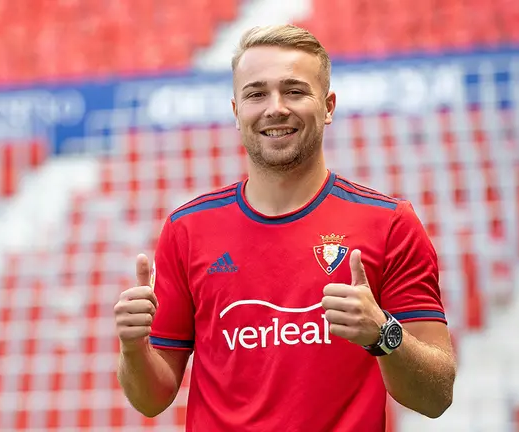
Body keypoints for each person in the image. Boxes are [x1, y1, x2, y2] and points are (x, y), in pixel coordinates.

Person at [113, 24, 457, 431]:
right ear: (236, 110)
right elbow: (152, 400)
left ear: (328, 106)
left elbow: (437, 398)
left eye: (294, 91)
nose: (275, 107)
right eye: (256, 93)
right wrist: (134, 348)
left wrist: (382, 334)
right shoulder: (187, 229)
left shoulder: (389, 223)